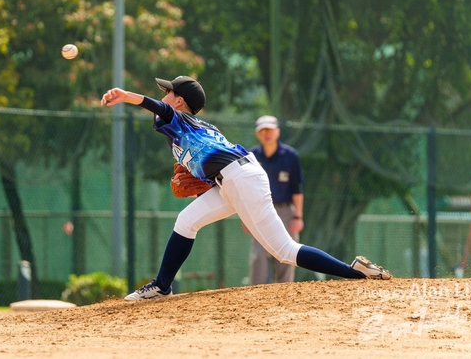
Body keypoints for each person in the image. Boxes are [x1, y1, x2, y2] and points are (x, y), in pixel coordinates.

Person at [100, 76, 391, 301]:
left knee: (284, 250)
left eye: (169, 91)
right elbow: (208, 167)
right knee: (186, 221)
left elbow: (158, 107)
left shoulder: (179, 118)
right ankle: (162, 286)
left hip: (240, 179)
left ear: (179, 101)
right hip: (233, 179)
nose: (165, 95)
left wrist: (126, 96)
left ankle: (354, 272)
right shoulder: (196, 126)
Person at [243, 115, 304, 285]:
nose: (266, 133)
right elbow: (245, 189)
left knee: (287, 253)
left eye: (269, 129)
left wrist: (298, 216)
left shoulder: (290, 156)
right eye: (262, 130)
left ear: (278, 131)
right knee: (260, 255)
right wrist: (245, 216)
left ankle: (285, 293)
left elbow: (297, 189)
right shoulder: (250, 156)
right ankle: (258, 294)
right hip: (259, 211)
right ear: (257, 134)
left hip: (285, 210)